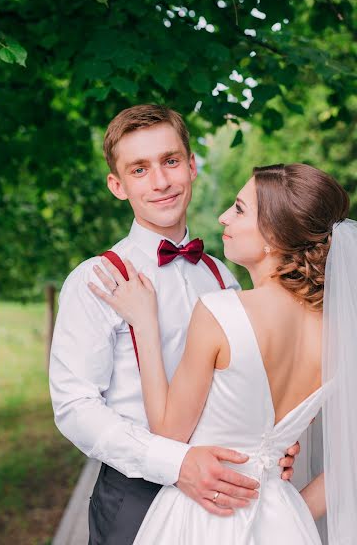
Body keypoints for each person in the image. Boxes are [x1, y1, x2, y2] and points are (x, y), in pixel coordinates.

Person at [49, 106, 299, 545]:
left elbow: (247, 379)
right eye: (139, 169)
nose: (161, 182)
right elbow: (75, 407)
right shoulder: (96, 279)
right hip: (136, 496)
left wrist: (271, 443)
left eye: (170, 161)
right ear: (117, 185)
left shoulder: (222, 274)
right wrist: (174, 463)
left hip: (228, 498)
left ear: (191, 165)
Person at [89, 163, 353, 544]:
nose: (223, 216)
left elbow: (168, 433)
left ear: (274, 236)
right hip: (282, 523)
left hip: (200, 519)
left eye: (240, 209)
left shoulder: (221, 311)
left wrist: (145, 324)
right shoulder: (340, 333)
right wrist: (292, 514)